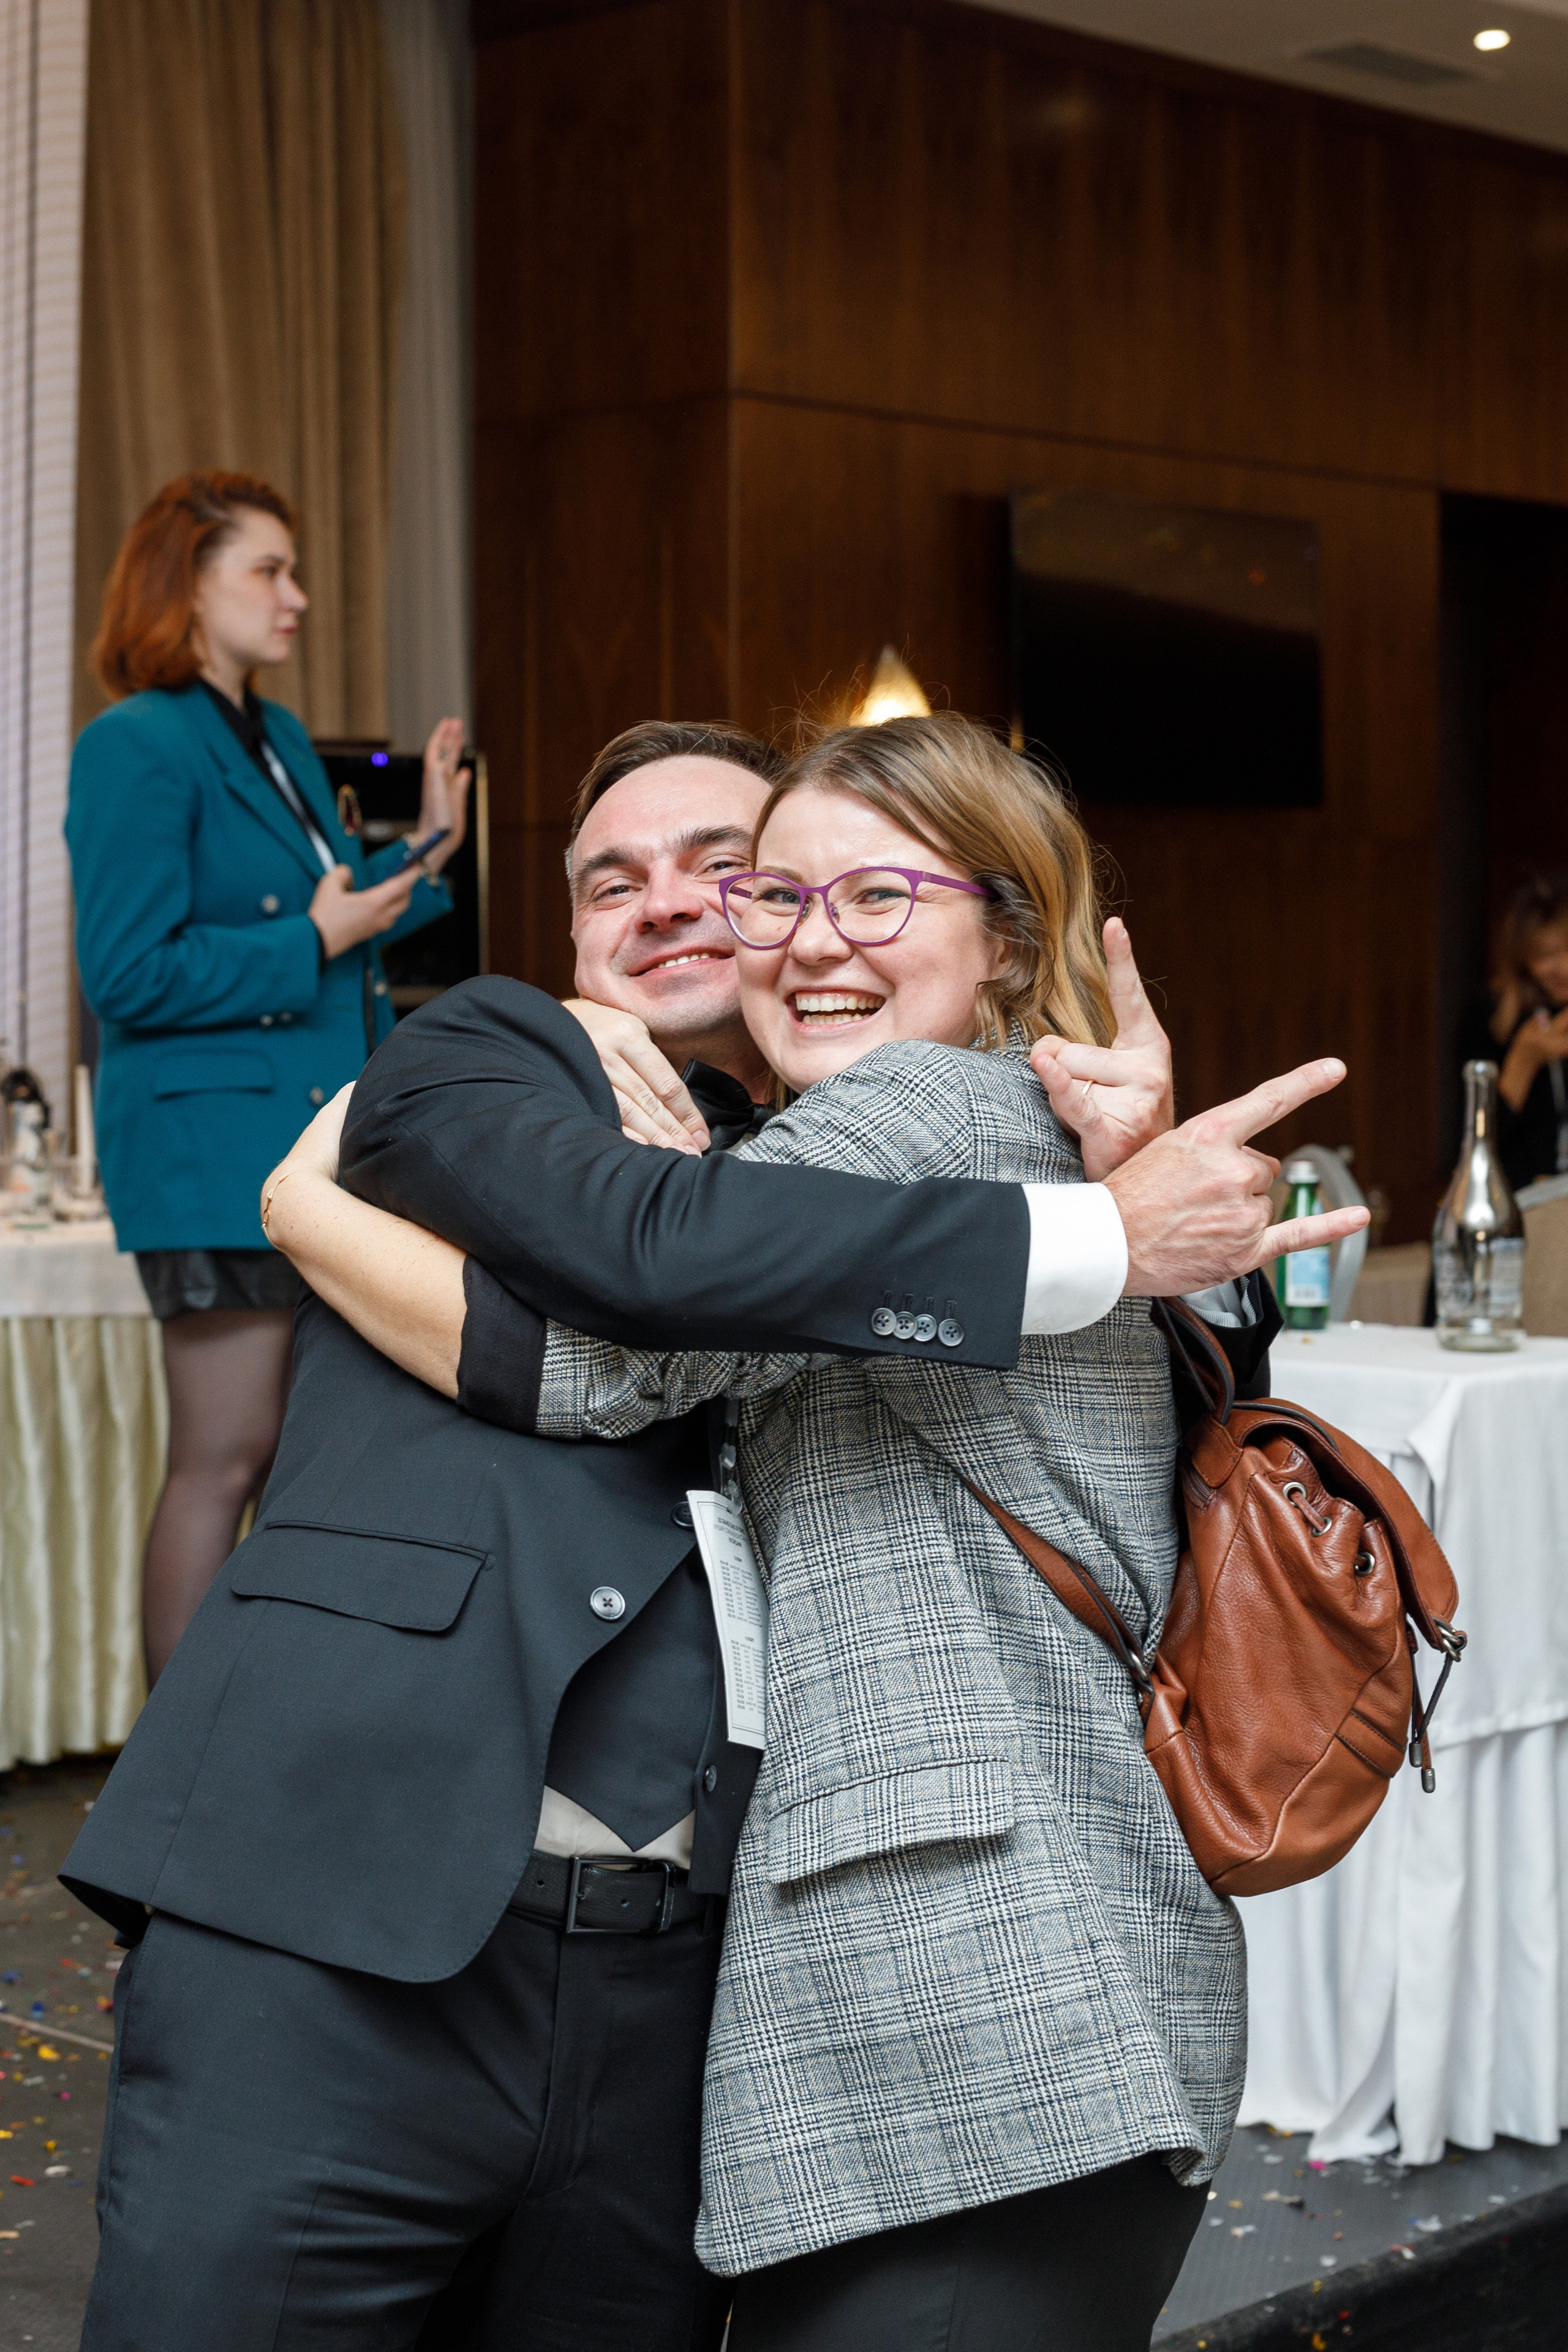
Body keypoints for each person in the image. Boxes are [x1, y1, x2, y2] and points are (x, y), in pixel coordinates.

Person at [61, 708, 1360, 2348]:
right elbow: (657, 1255)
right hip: (348, 1931)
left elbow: (681, 1311)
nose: (682, 904)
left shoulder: (921, 1127)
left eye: (728, 870)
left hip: (694, 2003)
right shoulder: (481, 1051)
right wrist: (1109, 1220)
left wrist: (1129, 1217)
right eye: (615, 879)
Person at [64, 470, 469, 1679]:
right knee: (224, 1457)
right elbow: (128, 973)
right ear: (188, 585)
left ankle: (244, 1758)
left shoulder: (276, 736)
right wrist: (313, 940)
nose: (297, 597)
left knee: (292, 1457)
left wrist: (434, 837)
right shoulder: (133, 743)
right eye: (269, 571)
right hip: (208, 1160)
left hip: (310, 1153)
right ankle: (173, 1802)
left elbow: (338, 912)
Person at [1464, 872, 1568, 1189]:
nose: (1563, 966)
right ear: (1522, 959)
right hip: (1529, 1198)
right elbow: (1476, 1146)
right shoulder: (1492, 1018)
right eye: (1546, 956)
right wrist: (1525, 1059)